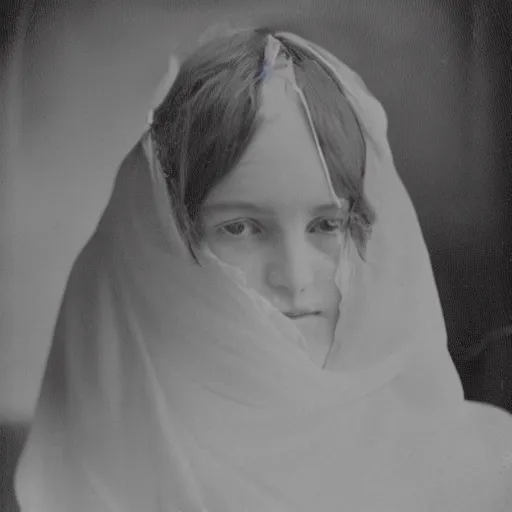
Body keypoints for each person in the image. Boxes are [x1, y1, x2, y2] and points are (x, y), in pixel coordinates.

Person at [15, 26, 512, 512]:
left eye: (327, 225)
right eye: (240, 228)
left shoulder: (478, 471)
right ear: (159, 244)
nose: (294, 277)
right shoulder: (87, 483)